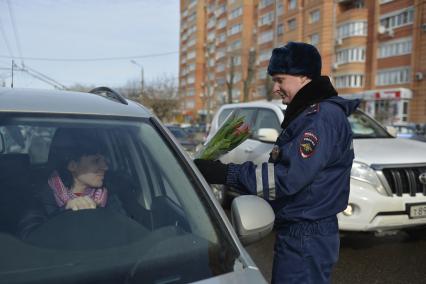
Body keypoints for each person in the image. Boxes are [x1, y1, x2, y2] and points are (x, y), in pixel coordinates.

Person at [194, 42, 360, 284]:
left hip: (305, 233)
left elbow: (286, 178)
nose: (275, 88)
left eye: (280, 80)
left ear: (304, 77)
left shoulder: (319, 119)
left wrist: (226, 173)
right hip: (306, 231)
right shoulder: (314, 115)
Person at [18, 129, 127, 239]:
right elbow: (29, 237)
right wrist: (65, 213)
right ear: (72, 166)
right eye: (96, 161)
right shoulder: (39, 197)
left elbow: (126, 231)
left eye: (105, 160)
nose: (105, 167)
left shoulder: (111, 195)